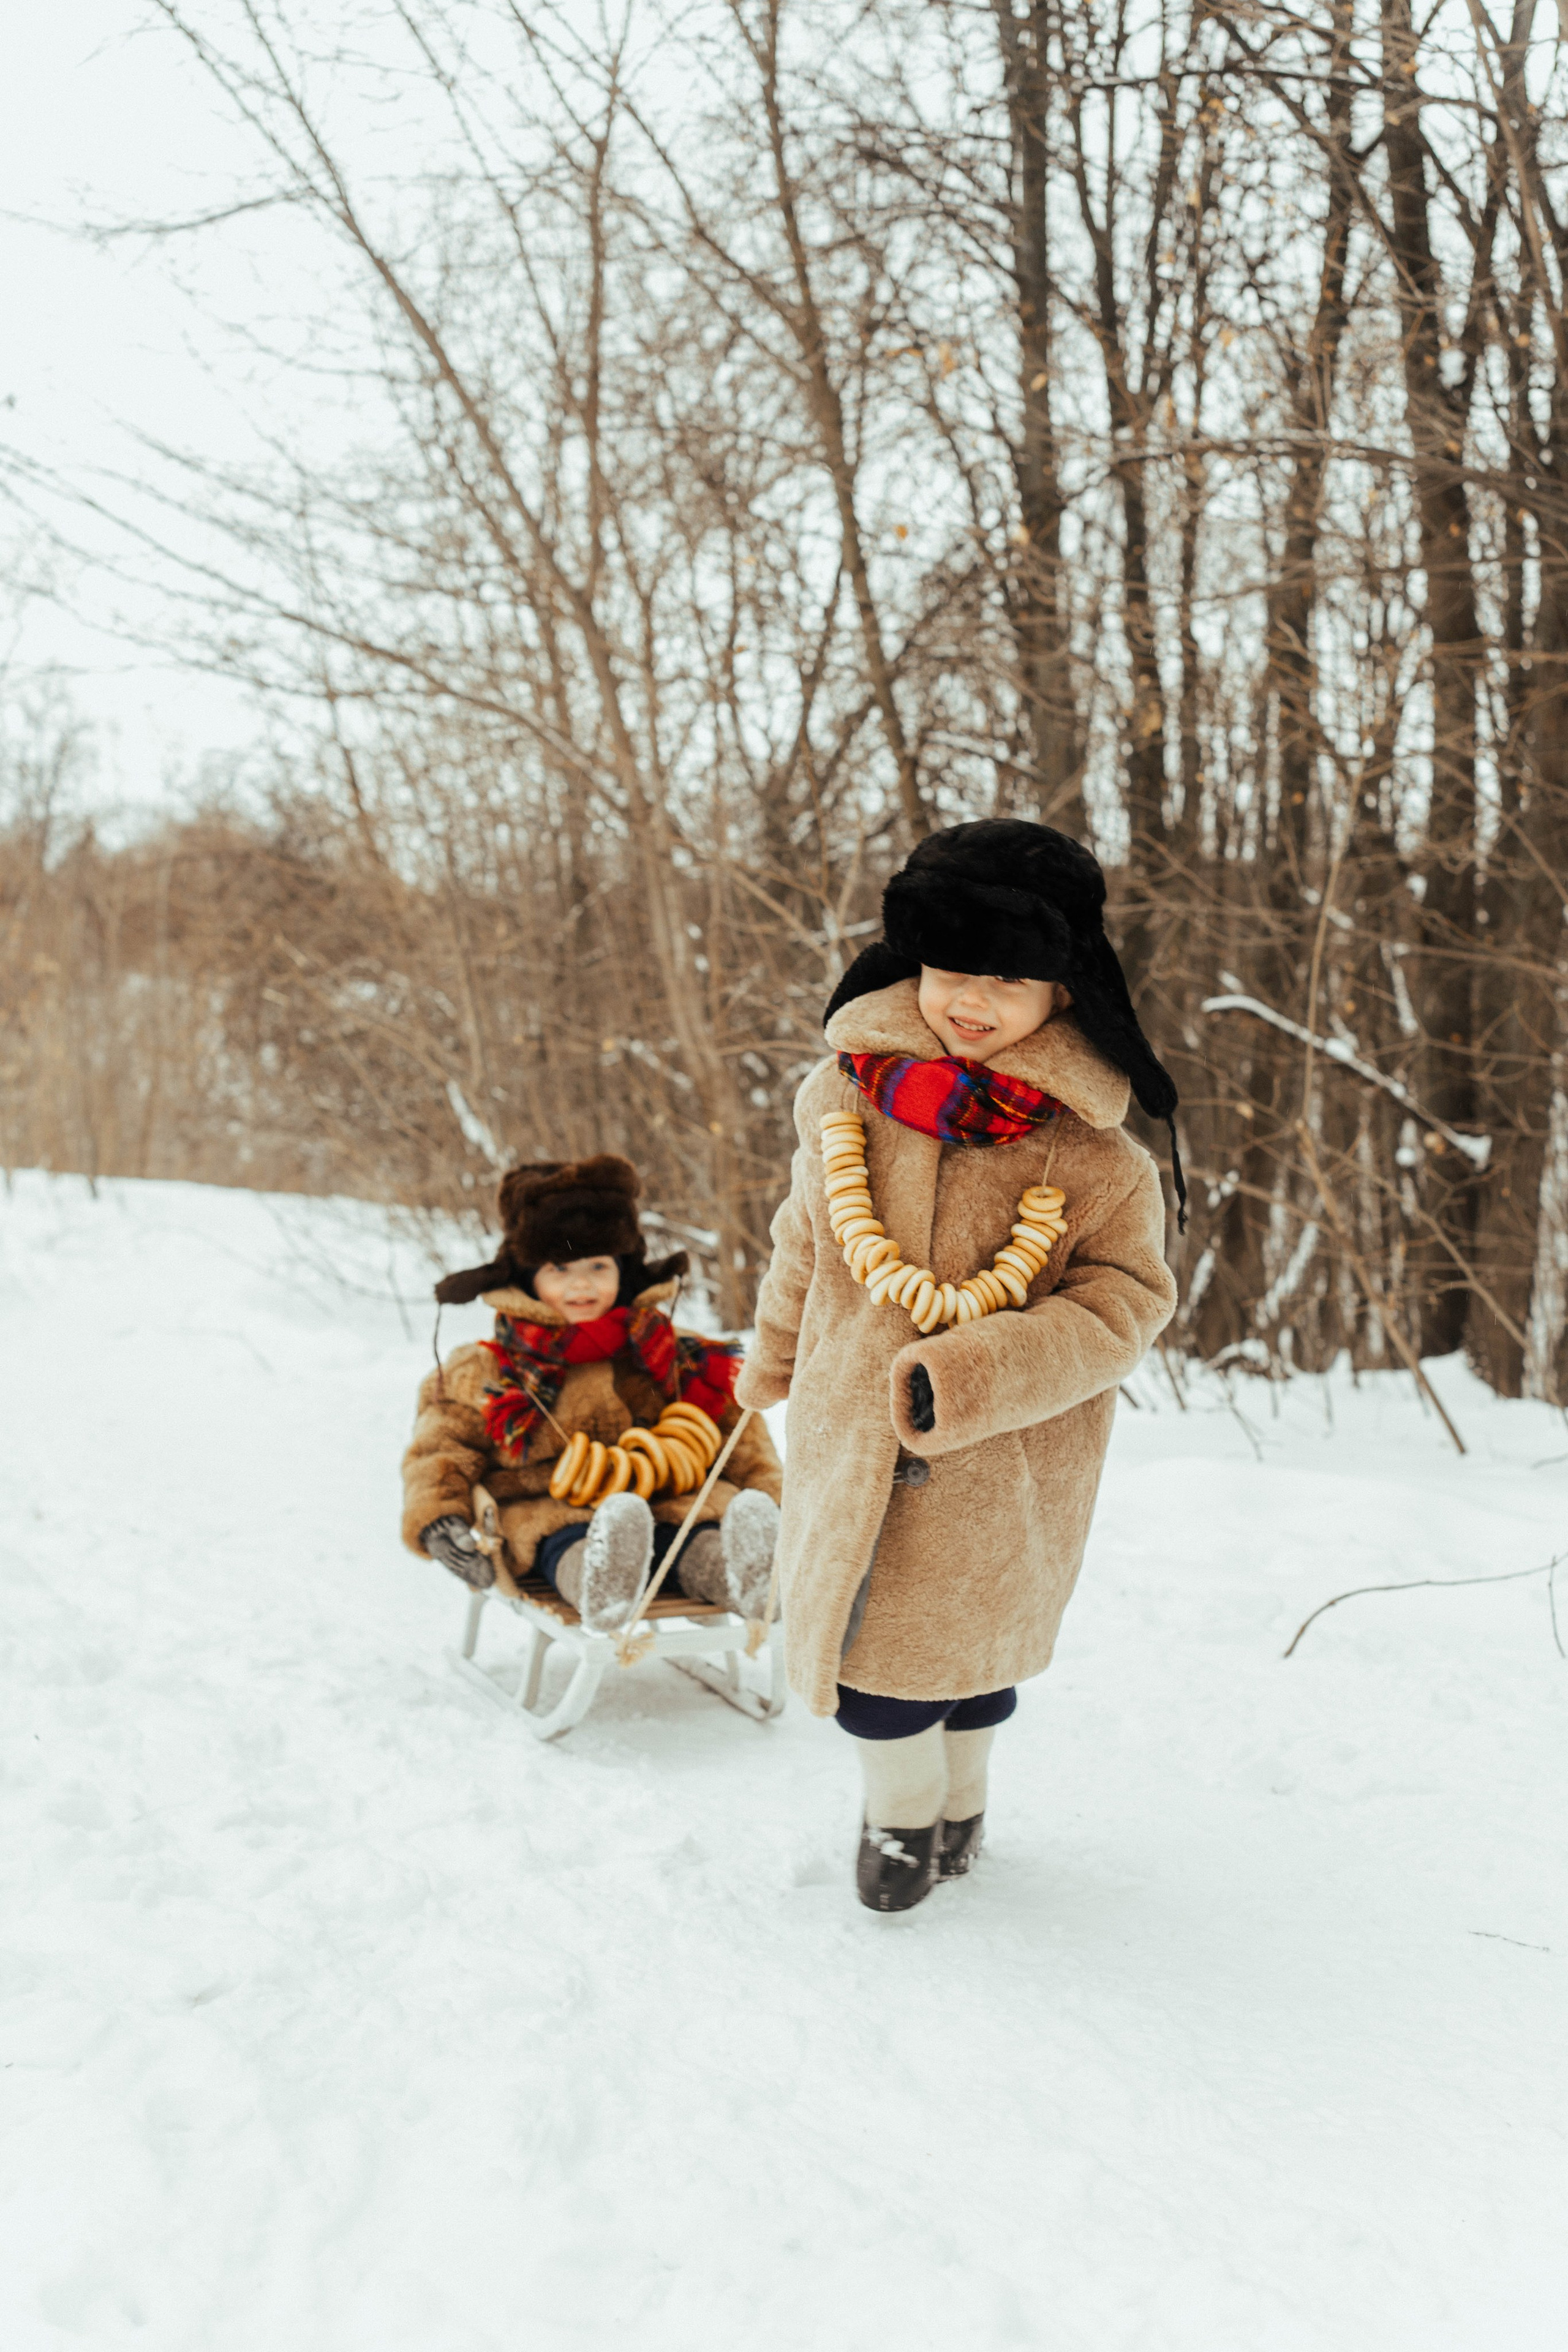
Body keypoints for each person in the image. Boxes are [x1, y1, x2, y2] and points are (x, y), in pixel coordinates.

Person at [734, 819, 1181, 1912]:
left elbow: (1128, 1305)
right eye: (946, 972)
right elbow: (807, 1234)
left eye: (1006, 978)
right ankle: (901, 1825)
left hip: (1006, 1465)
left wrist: (982, 1369)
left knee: (973, 1666)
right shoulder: (842, 1098)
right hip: (854, 1432)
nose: (968, 1001)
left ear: (1063, 990)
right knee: (875, 1676)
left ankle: (963, 1803)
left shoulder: (1095, 1156)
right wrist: (777, 1352)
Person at [403, 1155, 782, 1630]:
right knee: (573, 1545)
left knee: (700, 1538)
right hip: (552, 1512)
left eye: (598, 1266)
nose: (581, 1284)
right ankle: (603, 1588)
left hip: (671, 1499)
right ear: (526, 1277)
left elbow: (741, 1440)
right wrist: (440, 1520)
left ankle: (752, 1579)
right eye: (559, 1268)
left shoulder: (675, 1352)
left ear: (624, 1270)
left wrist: (777, 1500)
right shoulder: (485, 1367)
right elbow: (440, 1452)